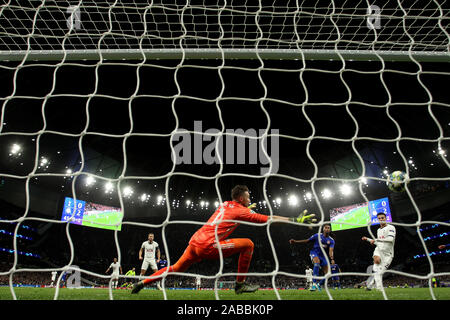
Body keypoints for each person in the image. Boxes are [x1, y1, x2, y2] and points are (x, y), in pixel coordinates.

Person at [131, 185, 314, 295]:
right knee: (249, 244)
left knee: (176, 268)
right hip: (207, 245)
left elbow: (231, 218)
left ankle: (142, 282)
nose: (250, 197)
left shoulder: (226, 204)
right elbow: (269, 219)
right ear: (242, 198)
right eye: (248, 196)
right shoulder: (241, 210)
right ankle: (239, 285)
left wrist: (246, 208)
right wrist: (293, 220)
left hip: (195, 240)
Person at [289, 223, 335, 291]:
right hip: (314, 253)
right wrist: (295, 241)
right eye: (326, 227)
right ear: (323, 229)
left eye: (328, 228)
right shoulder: (317, 235)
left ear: (330, 230)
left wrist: (332, 258)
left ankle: (318, 284)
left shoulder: (331, 240)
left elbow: (331, 251)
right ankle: (314, 284)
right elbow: (307, 240)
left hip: (323, 256)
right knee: (317, 263)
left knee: (328, 274)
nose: (327, 229)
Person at [362, 212, 396, 291]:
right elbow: (378, 242)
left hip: (388, 254)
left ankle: (370, 285)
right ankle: (379, 289)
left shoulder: (391, 227)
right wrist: (368, 239)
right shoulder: (378, 230)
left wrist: (376, 240)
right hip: (378, 250)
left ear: (386, 218)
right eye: (379, 218)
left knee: (379, 271)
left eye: (382, 218)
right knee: (376, 261)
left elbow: (390, 239)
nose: (381, 219)